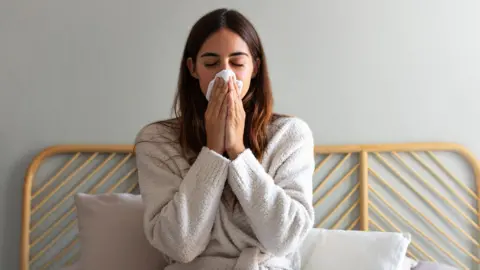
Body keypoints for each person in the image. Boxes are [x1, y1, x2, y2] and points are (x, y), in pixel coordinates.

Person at [134, 8, 315, 270]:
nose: (225, 75)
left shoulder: (289, 135)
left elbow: (285, 239)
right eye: (211, 63)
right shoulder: (157, 141)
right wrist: (213, 153)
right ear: (192, 68)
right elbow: (180, 247)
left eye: (238, 63)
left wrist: (238, 151)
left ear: (255, 67)